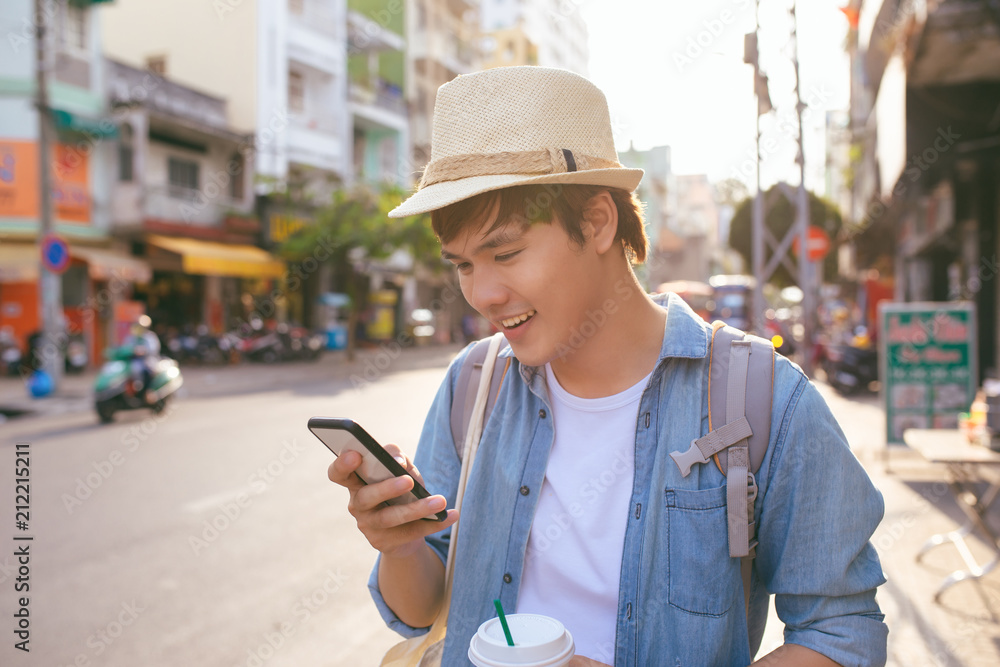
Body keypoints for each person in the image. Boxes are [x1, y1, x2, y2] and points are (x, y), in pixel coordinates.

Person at [328, 67, 887, 666]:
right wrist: (399, 544)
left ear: (597, 222)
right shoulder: (475, 384)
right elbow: (417, 612)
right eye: (463, 265)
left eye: (506, 252)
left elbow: (840, 632)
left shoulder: (764, 399)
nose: (483, 293)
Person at [123, 315, 161, 404]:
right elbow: (126, 347)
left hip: (147, 360)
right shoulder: (132, 337)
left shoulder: (150, 337)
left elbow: (153, 349)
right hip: (133, 361)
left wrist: (143, 351)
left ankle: (148, 391)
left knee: (147, 371)